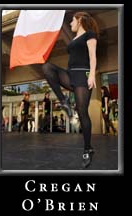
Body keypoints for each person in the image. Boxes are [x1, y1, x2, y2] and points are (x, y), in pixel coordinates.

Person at [42, 11, 99, 168]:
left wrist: (92, 75)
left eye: (72, 21)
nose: (70, 23)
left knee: (82, 113)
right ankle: (64, 101)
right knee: (47, 67)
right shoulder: (74, 39)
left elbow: (93, 56)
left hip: (83, 74)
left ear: (80, 20)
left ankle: (87, 149)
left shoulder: (90, 34)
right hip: (70, 74)